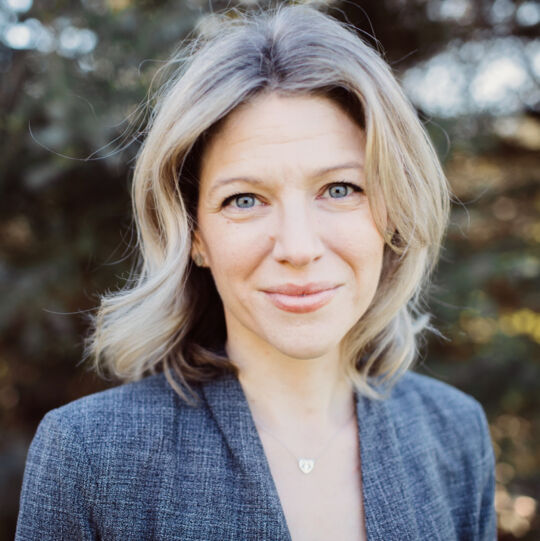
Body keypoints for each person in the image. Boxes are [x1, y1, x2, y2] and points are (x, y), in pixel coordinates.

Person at [15, 4, 496, 540]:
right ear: (194, 234)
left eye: (340, 189)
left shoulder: (454, 434)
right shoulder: (88, 456)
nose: (297, 246)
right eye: (244, 199)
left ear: (394, 209)